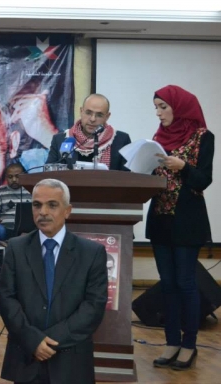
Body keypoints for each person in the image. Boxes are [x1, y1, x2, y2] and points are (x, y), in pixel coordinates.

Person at [0, 178, 108, 384]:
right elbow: (6, 299)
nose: (43, 212)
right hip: (27, 358)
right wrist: (33, 340)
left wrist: (48, 341)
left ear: (67, 211)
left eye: (52, 205)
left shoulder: (91, 253)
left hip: (71, 360)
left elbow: (93, 307)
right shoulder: (16, 248)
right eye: (37, 205)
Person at [146, 85, 213, 371]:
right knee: (168, 284)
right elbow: (152, 178)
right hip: (160, 220)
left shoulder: (203, 136)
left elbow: (203, 180)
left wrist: (182, 166)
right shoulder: (157, 139)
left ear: (180, 106)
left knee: (185, 283)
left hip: (187, 222)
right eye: (156, 107)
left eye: (163, 107)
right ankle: (171, 342)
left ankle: (189, 345)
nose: (158, 113)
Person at [46, 94, 131, 170]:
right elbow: (49, 173)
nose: (92, 119)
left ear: (107, 116)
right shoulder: (61, 140)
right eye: (88, 113)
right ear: (81, 111)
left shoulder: (121, 140)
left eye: (99, 115)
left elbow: (128, 177)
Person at [0, 163, 31, 239]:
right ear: (6, 177)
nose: (14, 180)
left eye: (17, 176)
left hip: (28, 232)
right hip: (5, 232)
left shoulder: (32, 192)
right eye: (10, 177)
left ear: (24, 176)